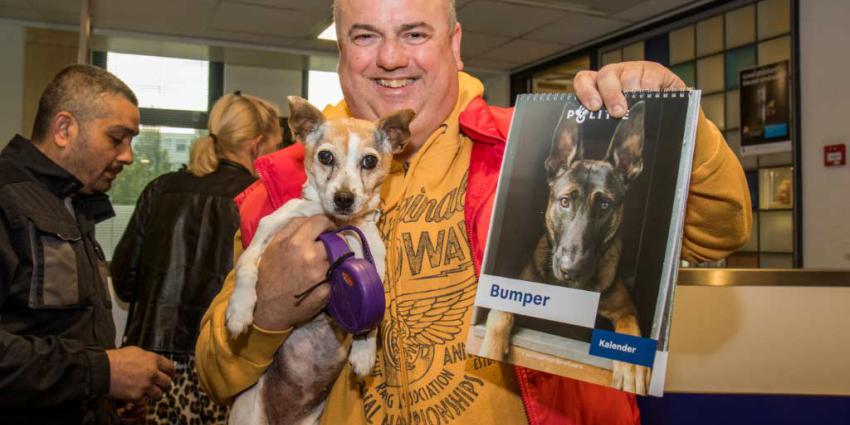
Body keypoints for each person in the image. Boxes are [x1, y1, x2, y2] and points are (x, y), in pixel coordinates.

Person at [195, 0, 752, 424]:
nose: (390, 57)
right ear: (341, 51)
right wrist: (268, 306)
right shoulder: (286, 185)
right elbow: (216, 370)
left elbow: (715, 233)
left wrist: (682, 130)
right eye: (365, 37)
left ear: (454, 43)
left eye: (414, 33)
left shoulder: (527, 150)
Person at [0, 64, 176, 424]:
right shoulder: (7, 199)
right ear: (64, 129)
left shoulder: (73, 205)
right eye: (116, 138)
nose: (128, 156)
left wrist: (105, 394)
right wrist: (103, 371)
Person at [110, 92, 282, 424]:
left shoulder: (161, 188)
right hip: (221, 362)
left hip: (150, 367)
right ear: (257, 146)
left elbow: (124, 279)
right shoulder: (260, 200)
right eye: (275, 148)